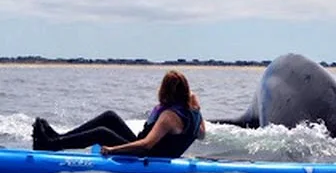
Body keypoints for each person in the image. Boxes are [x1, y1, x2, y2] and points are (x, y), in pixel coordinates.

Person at [32, 70, 206, 158]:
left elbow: (146, 145)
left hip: (148, 155)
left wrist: (112, 149)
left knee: (101, 133)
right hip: (153, 149)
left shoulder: (169, 117)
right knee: (110, 116)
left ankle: (51, 146)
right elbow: (201, 135)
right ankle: (58, 138)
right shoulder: (194, 111)